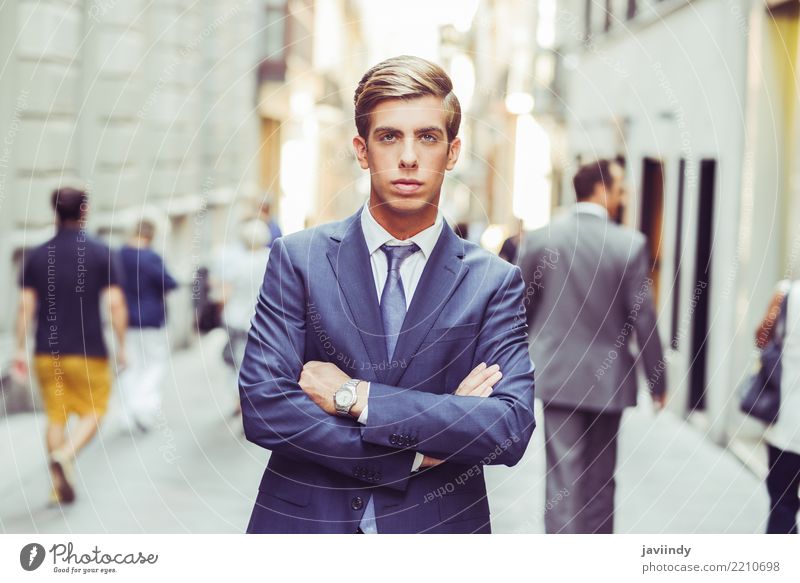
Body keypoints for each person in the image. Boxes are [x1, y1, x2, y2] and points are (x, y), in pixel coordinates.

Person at [239, 55, 536, 534]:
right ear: (361, 150)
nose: (409, 157)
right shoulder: (299, 259)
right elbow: (264, 409)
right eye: (389, 136)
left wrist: (352, 395)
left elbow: (509, 428)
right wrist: (419, 452)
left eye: (428, 136)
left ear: (453, 151)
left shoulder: (493, 282)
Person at [518, 159, 666, 534]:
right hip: (609, 381)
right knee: (601, 480)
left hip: (557, 375)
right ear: (601, 190)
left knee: (562, 481)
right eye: (619, 187)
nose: (624, 194)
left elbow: (520, 309)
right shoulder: (629, 245)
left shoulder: (541, 239)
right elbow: (643, 318)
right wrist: (658, 381)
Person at [14, 187, 128, 504]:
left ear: (55, 211)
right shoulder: (100, 252)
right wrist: (123, 345)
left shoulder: (36, 255)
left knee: (55, 416)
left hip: (45, 353)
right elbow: (116, 304)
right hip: (88, 350)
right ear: (84, 211)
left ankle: (56, 485)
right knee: (95, 411)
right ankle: (66, 454)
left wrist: (17, 350)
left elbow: (25, 307)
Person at [116, 219, 178, 432]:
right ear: (151, 235)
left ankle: (127, 414)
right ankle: (140, 404)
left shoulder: (119, 255)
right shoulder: (151, 257)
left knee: (130, 366)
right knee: (155, 363)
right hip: (151, 319)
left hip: (124, 318)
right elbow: (169, 282)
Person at [755, 279, 800, 534]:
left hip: (789, 423)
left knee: (782, 503)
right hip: (787, 423)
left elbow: (761, 338)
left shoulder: (786, 294)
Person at [215, 219, 271, 416]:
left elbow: (224, 294)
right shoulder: (271, 258)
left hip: (235, 320)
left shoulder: (237, 262)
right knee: (258, 363)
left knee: (236, 362)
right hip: (262, 320)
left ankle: (238, 400)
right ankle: (251, 401)